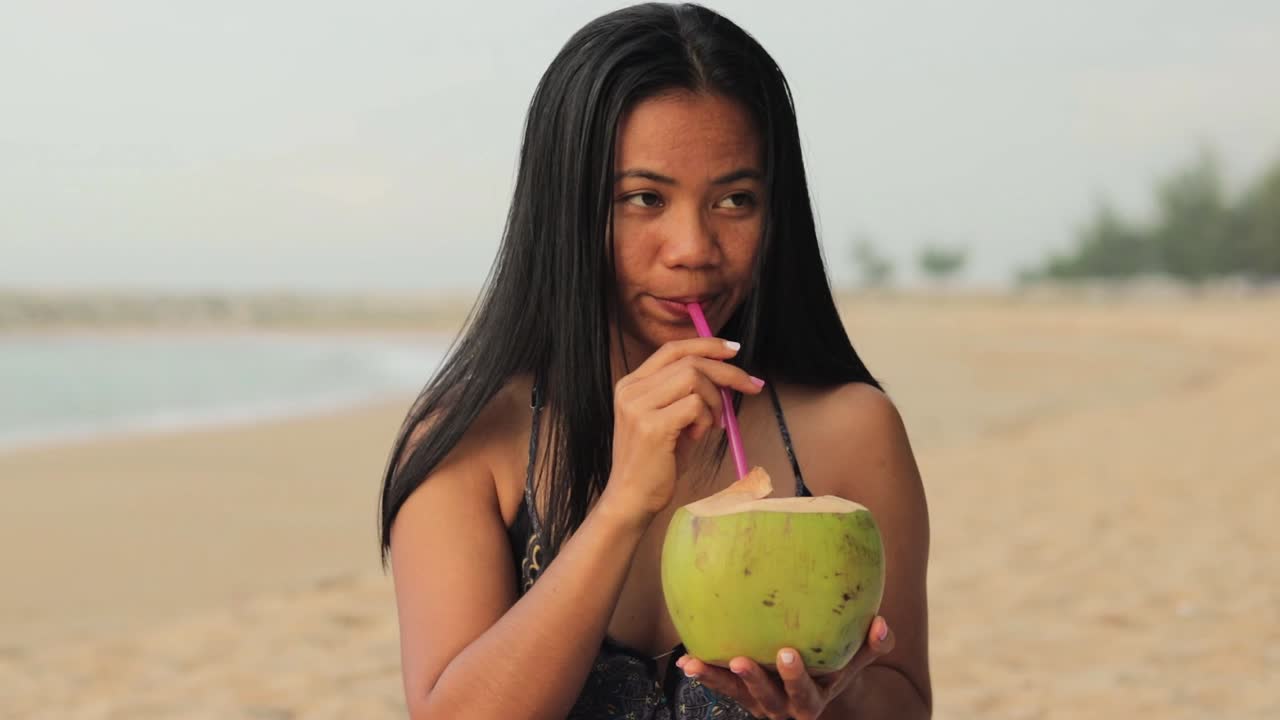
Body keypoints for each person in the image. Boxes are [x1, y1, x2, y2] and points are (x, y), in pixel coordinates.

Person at [379, 3, 931, 718]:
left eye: (735, 199)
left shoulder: (852, 431)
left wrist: (824, 705)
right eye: (644, 198)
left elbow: (904, 702)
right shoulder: (470, 442)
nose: (694, 247)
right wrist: (622, 506)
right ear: (568, 209)